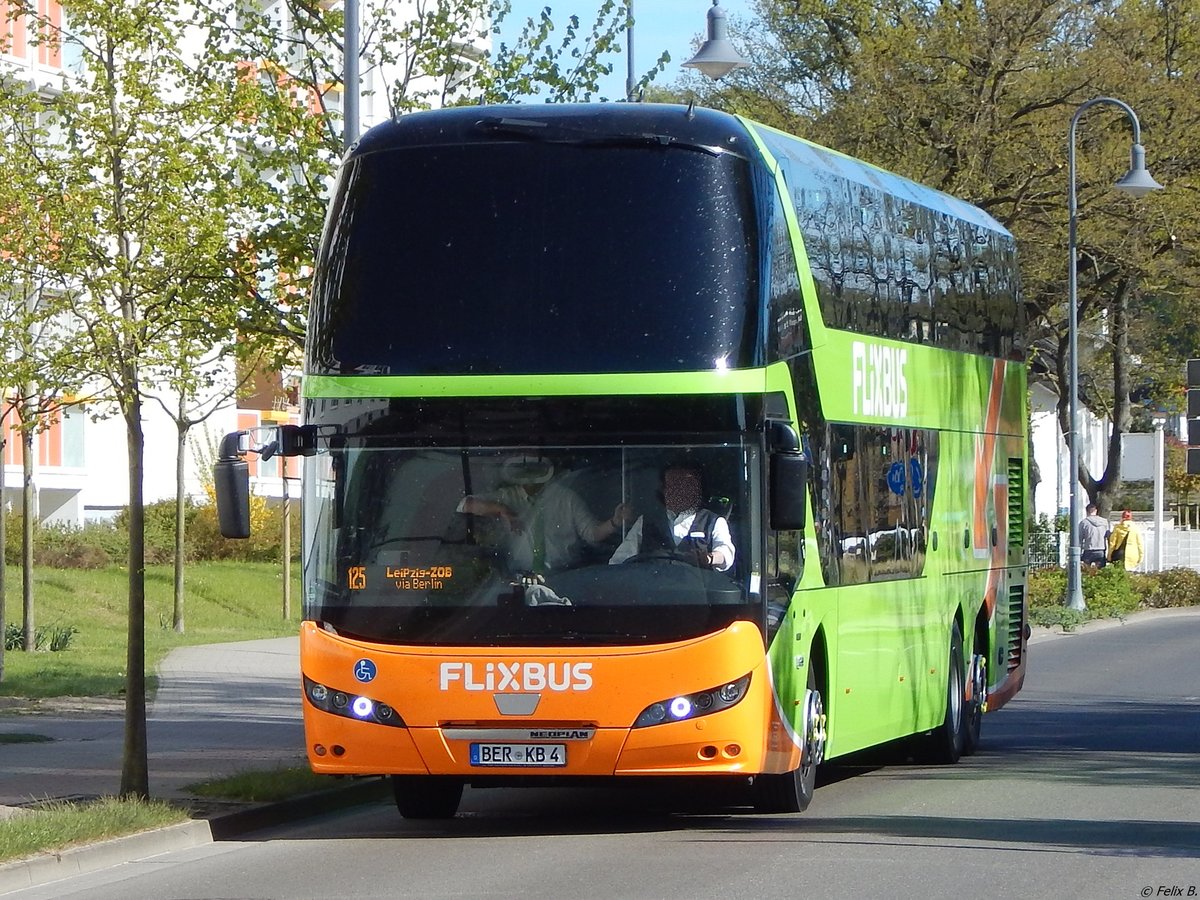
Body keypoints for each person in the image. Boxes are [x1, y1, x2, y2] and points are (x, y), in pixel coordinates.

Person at [458, 456, 631, 573]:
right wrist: (502, 510)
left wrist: (615, 522)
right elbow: (465, 504)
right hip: (516, 579)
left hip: (564, 576)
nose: (529, 476)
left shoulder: (566, 497)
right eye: (524, 470)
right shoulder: (507, 496)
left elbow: (592, 533)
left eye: (534, 470)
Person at [610, 464, 735, 571]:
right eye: (673, 485)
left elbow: (726, 554)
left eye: (686, 486)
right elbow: (620, 560)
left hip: (698, 595)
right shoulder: (645, 521)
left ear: (697, 491)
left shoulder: (714, 521)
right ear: (664, 490)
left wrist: (709, 558)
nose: (679, 491)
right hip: (653, 594)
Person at [1079, 504, 1109, 568]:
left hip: (1089, 549)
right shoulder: (1104, 522)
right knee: (1101, 571)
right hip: (1101, 549)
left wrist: (1079, 553)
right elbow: (1108, 536)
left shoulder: (1084, 523)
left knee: (1086, 570)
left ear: (1087, 511)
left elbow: (1079, 539)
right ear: (1096, 511)